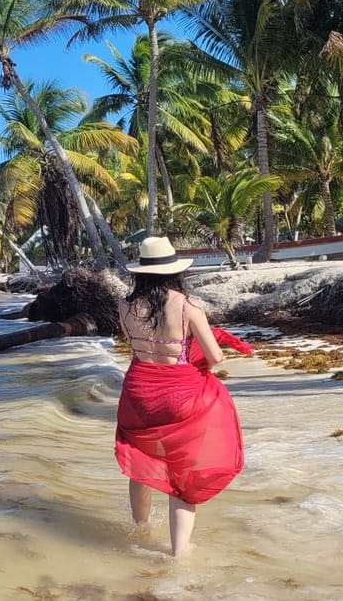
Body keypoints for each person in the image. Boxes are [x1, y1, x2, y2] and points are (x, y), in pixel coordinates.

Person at [115, 236, 250, 556]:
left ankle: (142, 532)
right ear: (174, 271)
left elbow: (133, 346)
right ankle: (179, 554)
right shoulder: (188, 306)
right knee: (182, 474)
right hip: (179, 397)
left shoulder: (124, 305)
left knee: (141, 461)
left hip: (138, 393)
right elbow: (214, 356)